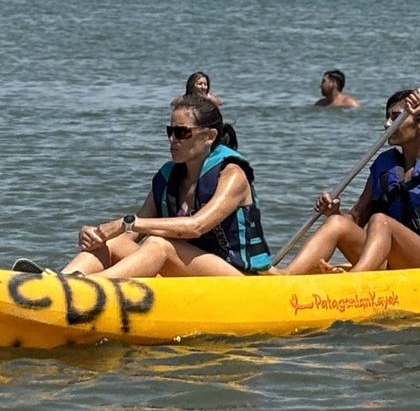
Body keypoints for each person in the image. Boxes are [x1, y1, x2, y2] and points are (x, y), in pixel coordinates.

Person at [273, 88, 420, 274]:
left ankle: (354, 281)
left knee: (381, 221)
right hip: (397, 259)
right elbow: (354, 221)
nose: (387, 124)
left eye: (395, 117)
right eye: (387, 117)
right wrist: (334, 213)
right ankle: (286, 275)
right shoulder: (385, 166)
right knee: (338, 224)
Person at [57, 94, 272, 277]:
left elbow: (197, 226)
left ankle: (91, 286)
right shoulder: (169, 177)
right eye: (170, 132)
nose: (173, 140)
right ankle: (62, 280)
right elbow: (130, 234)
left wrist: (125, 223)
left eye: (182, 133)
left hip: (239, 277)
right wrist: (97, 234)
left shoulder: (232, 174)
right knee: (114, 244)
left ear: (209, 136)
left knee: (160, 243)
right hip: (193, 270)